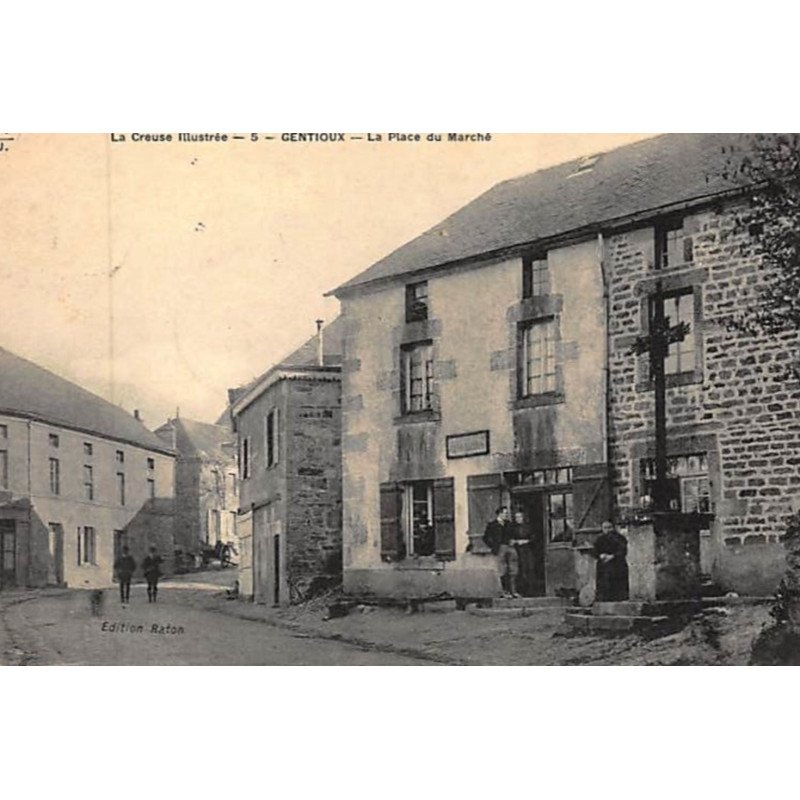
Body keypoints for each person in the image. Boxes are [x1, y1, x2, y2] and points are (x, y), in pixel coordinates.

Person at [483, 506, 519, 598]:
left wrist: (513, 540)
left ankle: (513, 591)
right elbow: (485, 538)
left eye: (507, 513)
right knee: (502, 570)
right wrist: (494, 546)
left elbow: (514, 534)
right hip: (500, 549)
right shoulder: (492, 525)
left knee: (513, 570)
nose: (506, 515)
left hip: (510, 547)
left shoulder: (509, 524)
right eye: (505, 513)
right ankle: (504, 592)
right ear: (500, 514)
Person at [593, 520, 629, 601]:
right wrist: (600, 555)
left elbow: (623, 550)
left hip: (617, 564)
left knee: (618, 585)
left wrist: (613, 556)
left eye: (609, 527)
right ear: (602, 529)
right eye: (605, 528)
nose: (608, 530)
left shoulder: (620, 538)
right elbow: (595, 551)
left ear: (613, 528)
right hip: (603, 565)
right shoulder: (599, 539)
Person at [510, 509, 534, 597]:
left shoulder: (528, 527)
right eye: (516, 517)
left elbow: (534, 538)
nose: (518, 519)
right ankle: (522, 591)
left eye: (519, 517)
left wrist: (526, 541)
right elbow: (510, 539)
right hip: (518, 550)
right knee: (520, 570)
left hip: (528, 550)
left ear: (523, 517)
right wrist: (515, 541)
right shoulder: (513, 528)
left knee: (529, 568)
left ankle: (530, 591)